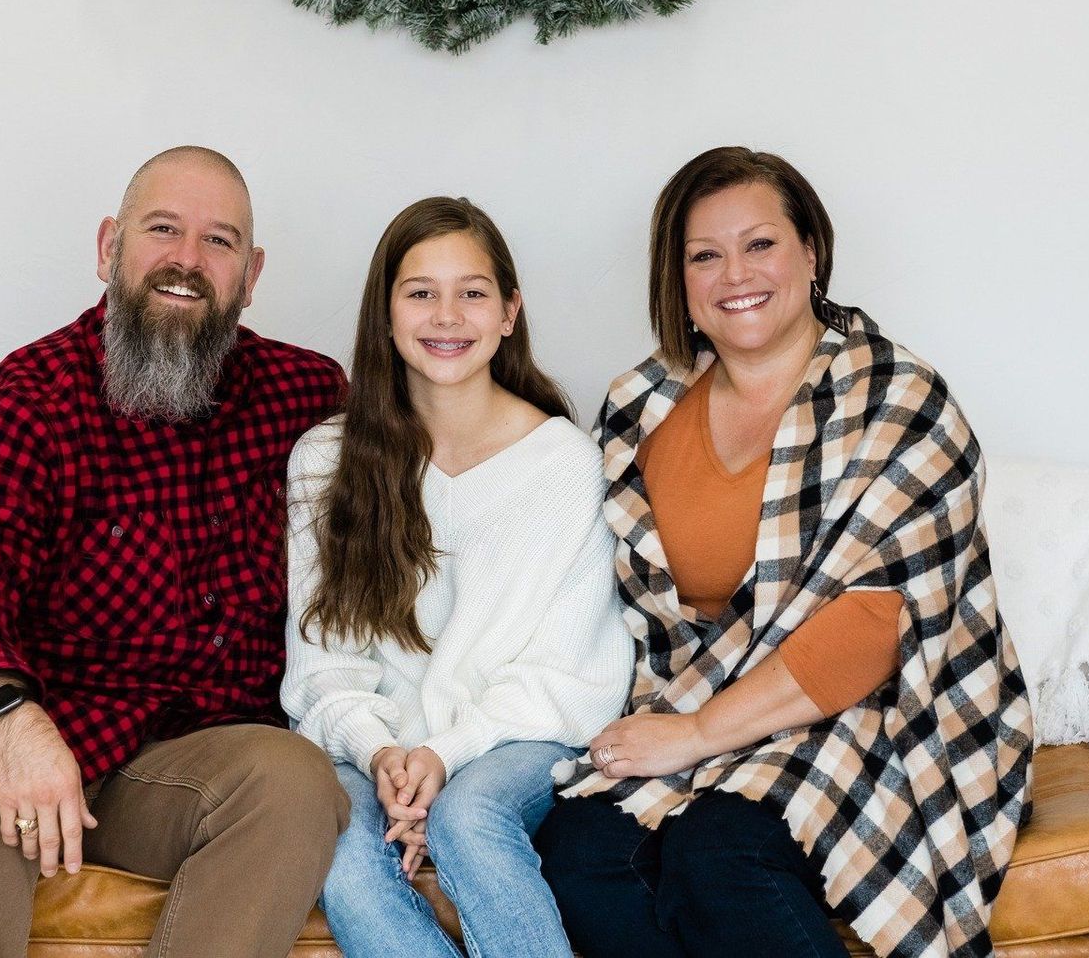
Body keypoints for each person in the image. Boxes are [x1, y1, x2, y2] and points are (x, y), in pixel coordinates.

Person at [535, 147, 1033, 958]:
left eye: (760, 243)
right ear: (681, 281)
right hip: (688, 697)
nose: (736, 272)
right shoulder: (639, 407)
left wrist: (699, 735)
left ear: (812, 253)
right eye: (705, 255)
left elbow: (873, 632)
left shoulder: (898, 398)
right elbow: (599, 596)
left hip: (874, 709)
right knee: (583, 852)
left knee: (720, 851)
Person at [0, 146, 351, 958]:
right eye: (163, 229)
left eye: (219, 241)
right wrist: (15, 721)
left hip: (162, 758)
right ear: (108, 248)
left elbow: (428, 474)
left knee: (293, 782)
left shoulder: (301, 397)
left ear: (252, 272)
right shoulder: (29, 398)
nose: (187, 261)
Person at [281, 196, 632, 958]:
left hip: (516, 736)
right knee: (336, 847)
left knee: (467, 819)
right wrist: (384, 757)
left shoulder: (566, 463)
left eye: (472, 292)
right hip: (364, 745)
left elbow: (570, 674)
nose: (447, 315)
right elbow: (322, 669)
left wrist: (445, 755)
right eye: (420, 292)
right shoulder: (324, 460)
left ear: (510, 311)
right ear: (385, 313)